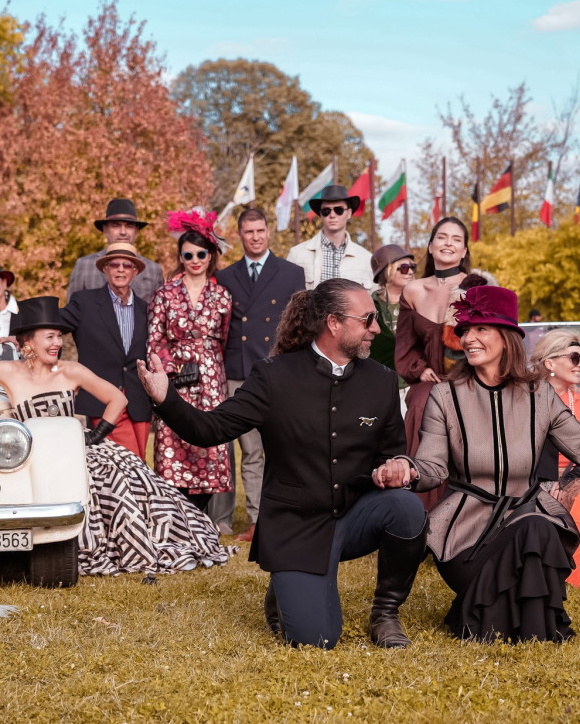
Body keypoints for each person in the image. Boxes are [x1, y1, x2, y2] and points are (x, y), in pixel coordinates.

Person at [384, 285, 580, 643]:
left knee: (538, 526)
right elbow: (432, 468)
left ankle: (511, 622)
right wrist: (407, 469)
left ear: (506, 338)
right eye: (465, 329)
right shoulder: (445, 395)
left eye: (480, 329)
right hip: (465, 538)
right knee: (536, 528)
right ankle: (498, 614)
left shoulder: (539, 394)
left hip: (526, 522)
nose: (468, 338)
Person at [138, 278, 426, 650]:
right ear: (333, 323)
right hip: (296, 525)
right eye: (367, 319)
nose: (377, 329)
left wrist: (397, 464)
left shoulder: (382, 381)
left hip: (356, 515)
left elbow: (393, 450)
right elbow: (210, 429)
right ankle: (284, 586)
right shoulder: (273, 376)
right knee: (317, 640)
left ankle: (385, 613)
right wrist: (166, 398)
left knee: (406, 508)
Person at [0, 296, 231, 577]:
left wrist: (97, 435)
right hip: (31, 453)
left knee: (120, 481)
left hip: (74, 448)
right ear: (28, 341)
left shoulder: (71, 370)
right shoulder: (6, 371)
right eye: (50, 337)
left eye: (59, 336)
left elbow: (117, 398)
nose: (57, 343)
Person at [214, 208, 306, 541]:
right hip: (239, 372)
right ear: (240, 235)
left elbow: (299, 326)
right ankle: (251, 520)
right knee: (246, 450)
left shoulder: (292, 273)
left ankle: (283, 516)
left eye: (260, 230)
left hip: (279, 371)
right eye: (249, 232)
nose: (255, 237)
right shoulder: (226, 277)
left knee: (282, 449)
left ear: (269, 232)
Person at [147, 211, 233, 512]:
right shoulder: (164, 294)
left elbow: (223, 339)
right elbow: (155, 340)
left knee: (209, 439)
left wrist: (207, 363)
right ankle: (177, 513)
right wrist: (170, 372)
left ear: (210, 256)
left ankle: (202, 514)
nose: (195, 260)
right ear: (180, 258)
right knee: (174, 440)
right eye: (188, 255)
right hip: (175, 380)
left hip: (211, 382)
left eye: (201, 254)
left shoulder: (222, 296)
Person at [59, 242, 152, 458]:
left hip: (139, 402)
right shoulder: (84, 302)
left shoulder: (146, 309)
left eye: (127, 265)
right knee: (127, 462)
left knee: (137, 461)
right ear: (105, 269)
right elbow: (55, 323)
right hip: (103, 401)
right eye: (114, 264)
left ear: (135, 272)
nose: (120, 270)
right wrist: (22, 334)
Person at [397, 218, 471, 478]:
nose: (448, 243)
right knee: (420, 403)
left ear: (464, 251)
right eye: (442, 237)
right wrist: (420, 369)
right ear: (430, 246)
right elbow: (405, 345)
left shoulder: (476, 287)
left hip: (468, 380)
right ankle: (419, 489)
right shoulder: (413, 290)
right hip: (431, 380)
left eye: (456, 239)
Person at [530, 329, 580, 479]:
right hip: (532, 483)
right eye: (574, 358)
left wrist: (567, 483)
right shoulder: (525, 400)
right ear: (550, 364)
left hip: (576, 482)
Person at [67, 199, 164, 304]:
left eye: (129, 226)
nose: (123, 232)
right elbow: (72, 308)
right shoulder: (85, 265)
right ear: (105, 230)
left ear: (136, 231)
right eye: (116, 225)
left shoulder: (153, 270)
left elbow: (159, 310)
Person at [287, 185, 374, 291]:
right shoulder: (297, 255)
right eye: (326, 211)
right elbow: (285, 294)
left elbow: (374, 298)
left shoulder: (366, 259)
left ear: (349, 213)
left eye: (339, 210)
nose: (332, 215)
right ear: (320, 214)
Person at [369, 244, 415, 376]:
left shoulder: (420, 301)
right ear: (388, 271)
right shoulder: (371, 306)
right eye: (404, 268)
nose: (411, 272)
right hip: (381, 379)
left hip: (414, 378)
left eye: (412, 267)